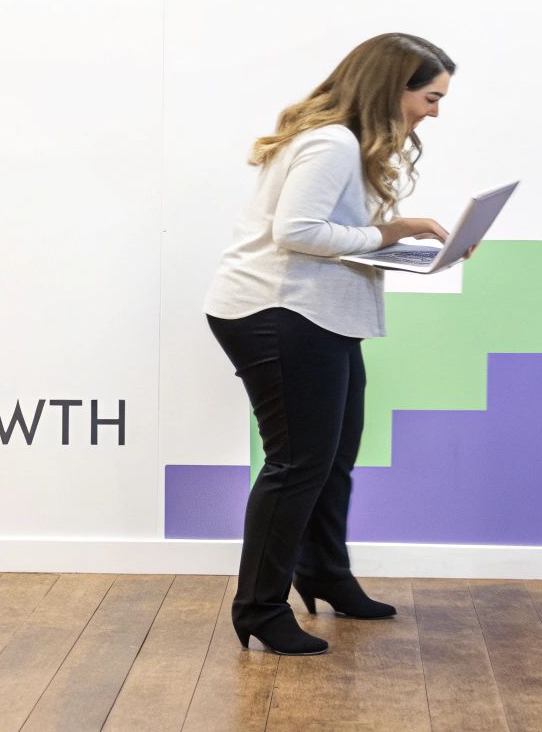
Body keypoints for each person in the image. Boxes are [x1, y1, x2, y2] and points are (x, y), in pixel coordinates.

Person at [204, 32, 457, 654]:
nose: (434, 112)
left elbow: (331, 231)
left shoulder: (343, 142)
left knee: (332, 458)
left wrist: (401, 246)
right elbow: (297, 232)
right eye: (429, 96)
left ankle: (325, 574)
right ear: (391, 88)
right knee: (297, 466)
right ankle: (260, 610)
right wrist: (391, 232)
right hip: (279, 311)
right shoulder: (331, 142)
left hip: (319, 313)